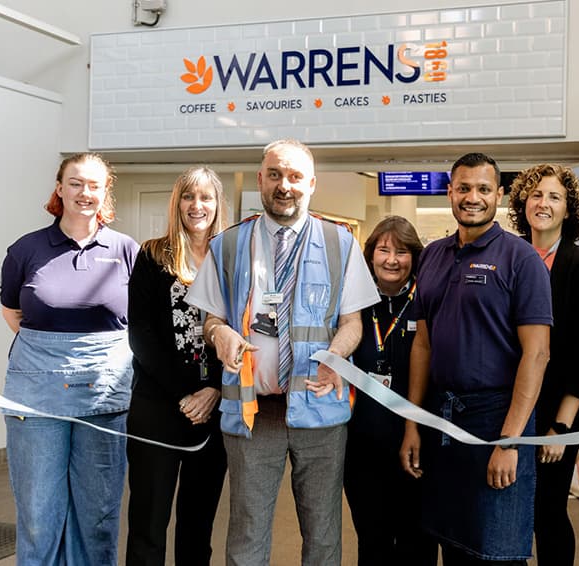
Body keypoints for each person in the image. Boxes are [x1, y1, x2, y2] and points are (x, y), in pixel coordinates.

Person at [185, 139, 379, 566]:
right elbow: (211, 320)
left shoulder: (340, 243)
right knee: (247, 535)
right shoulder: (229, 245)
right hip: (253, 414)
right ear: (260, 180)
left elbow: (352, 323)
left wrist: (335, 356)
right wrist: (220, 336)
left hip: (319, 411)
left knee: (323, 534)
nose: (284, 185)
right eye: (274, 175)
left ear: (311, 183)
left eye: (294, 177)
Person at [400, 153, 552, 565]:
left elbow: (537, 355)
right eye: (463, 188)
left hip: (496, 420)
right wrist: (414, 422)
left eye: (483, 189)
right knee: (453, 543)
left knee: (495, 550)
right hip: (441, 419)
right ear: (449, 191)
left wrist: (510, 441)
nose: (472, 197)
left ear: (499, 195)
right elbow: (423, 346)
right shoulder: (432, 255)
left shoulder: (521, 259)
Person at [0, 153, 138, 565]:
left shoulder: (126, 250)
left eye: (94, 185)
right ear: (59, 189)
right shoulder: (26, 249)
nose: (84, 192)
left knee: (97, 514)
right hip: (36, 399)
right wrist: (55, 361)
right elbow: (14, 315)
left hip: (105, 400)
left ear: (105, 192)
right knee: (39, 513)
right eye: (75, 183)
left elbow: (137, 321)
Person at [125, 166, 229, 565]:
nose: (197, 205)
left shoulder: (229, 257)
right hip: (158, 411)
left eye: (206, 197)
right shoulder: (152, 255)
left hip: (213, 414)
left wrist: (215, 388)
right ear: (177, 203)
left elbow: (246, 328)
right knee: (148, 529)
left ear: (218, 204)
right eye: (188, 196)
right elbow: (142, 336)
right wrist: (185, 393)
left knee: (197, 528)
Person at [507, 164, 579, 566]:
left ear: (569, 210)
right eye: (536, 195)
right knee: (510, 510)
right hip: (511, 404)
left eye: (554, 197)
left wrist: (561, 428)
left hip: (555, 412)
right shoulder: (509, 257)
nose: (543, 203)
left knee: (547, 513)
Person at [343, 216, 438, 566]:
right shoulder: (353, 300)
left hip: (418, 443)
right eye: (383, 250)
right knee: (372, 540)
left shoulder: (426, 301)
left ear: (415, 256)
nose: (392, 260)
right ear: (370, 255)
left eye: (402, 251)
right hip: (363, 444)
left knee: (418, 541)